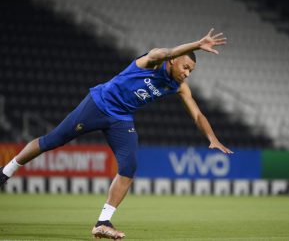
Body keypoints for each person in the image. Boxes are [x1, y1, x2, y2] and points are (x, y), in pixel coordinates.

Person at [0, 28, 233, 240]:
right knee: (52, 141)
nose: (188, 74)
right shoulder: (152, 61)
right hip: (98, 104)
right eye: (185, 67)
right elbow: (168, 50)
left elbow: (197, 114)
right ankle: (5, 172)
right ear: (172, 61)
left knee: (129, 166)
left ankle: (103, 222)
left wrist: (212, 138)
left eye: (191, 71)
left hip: (121, 118)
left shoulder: (178, 87)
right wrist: (196, 44)